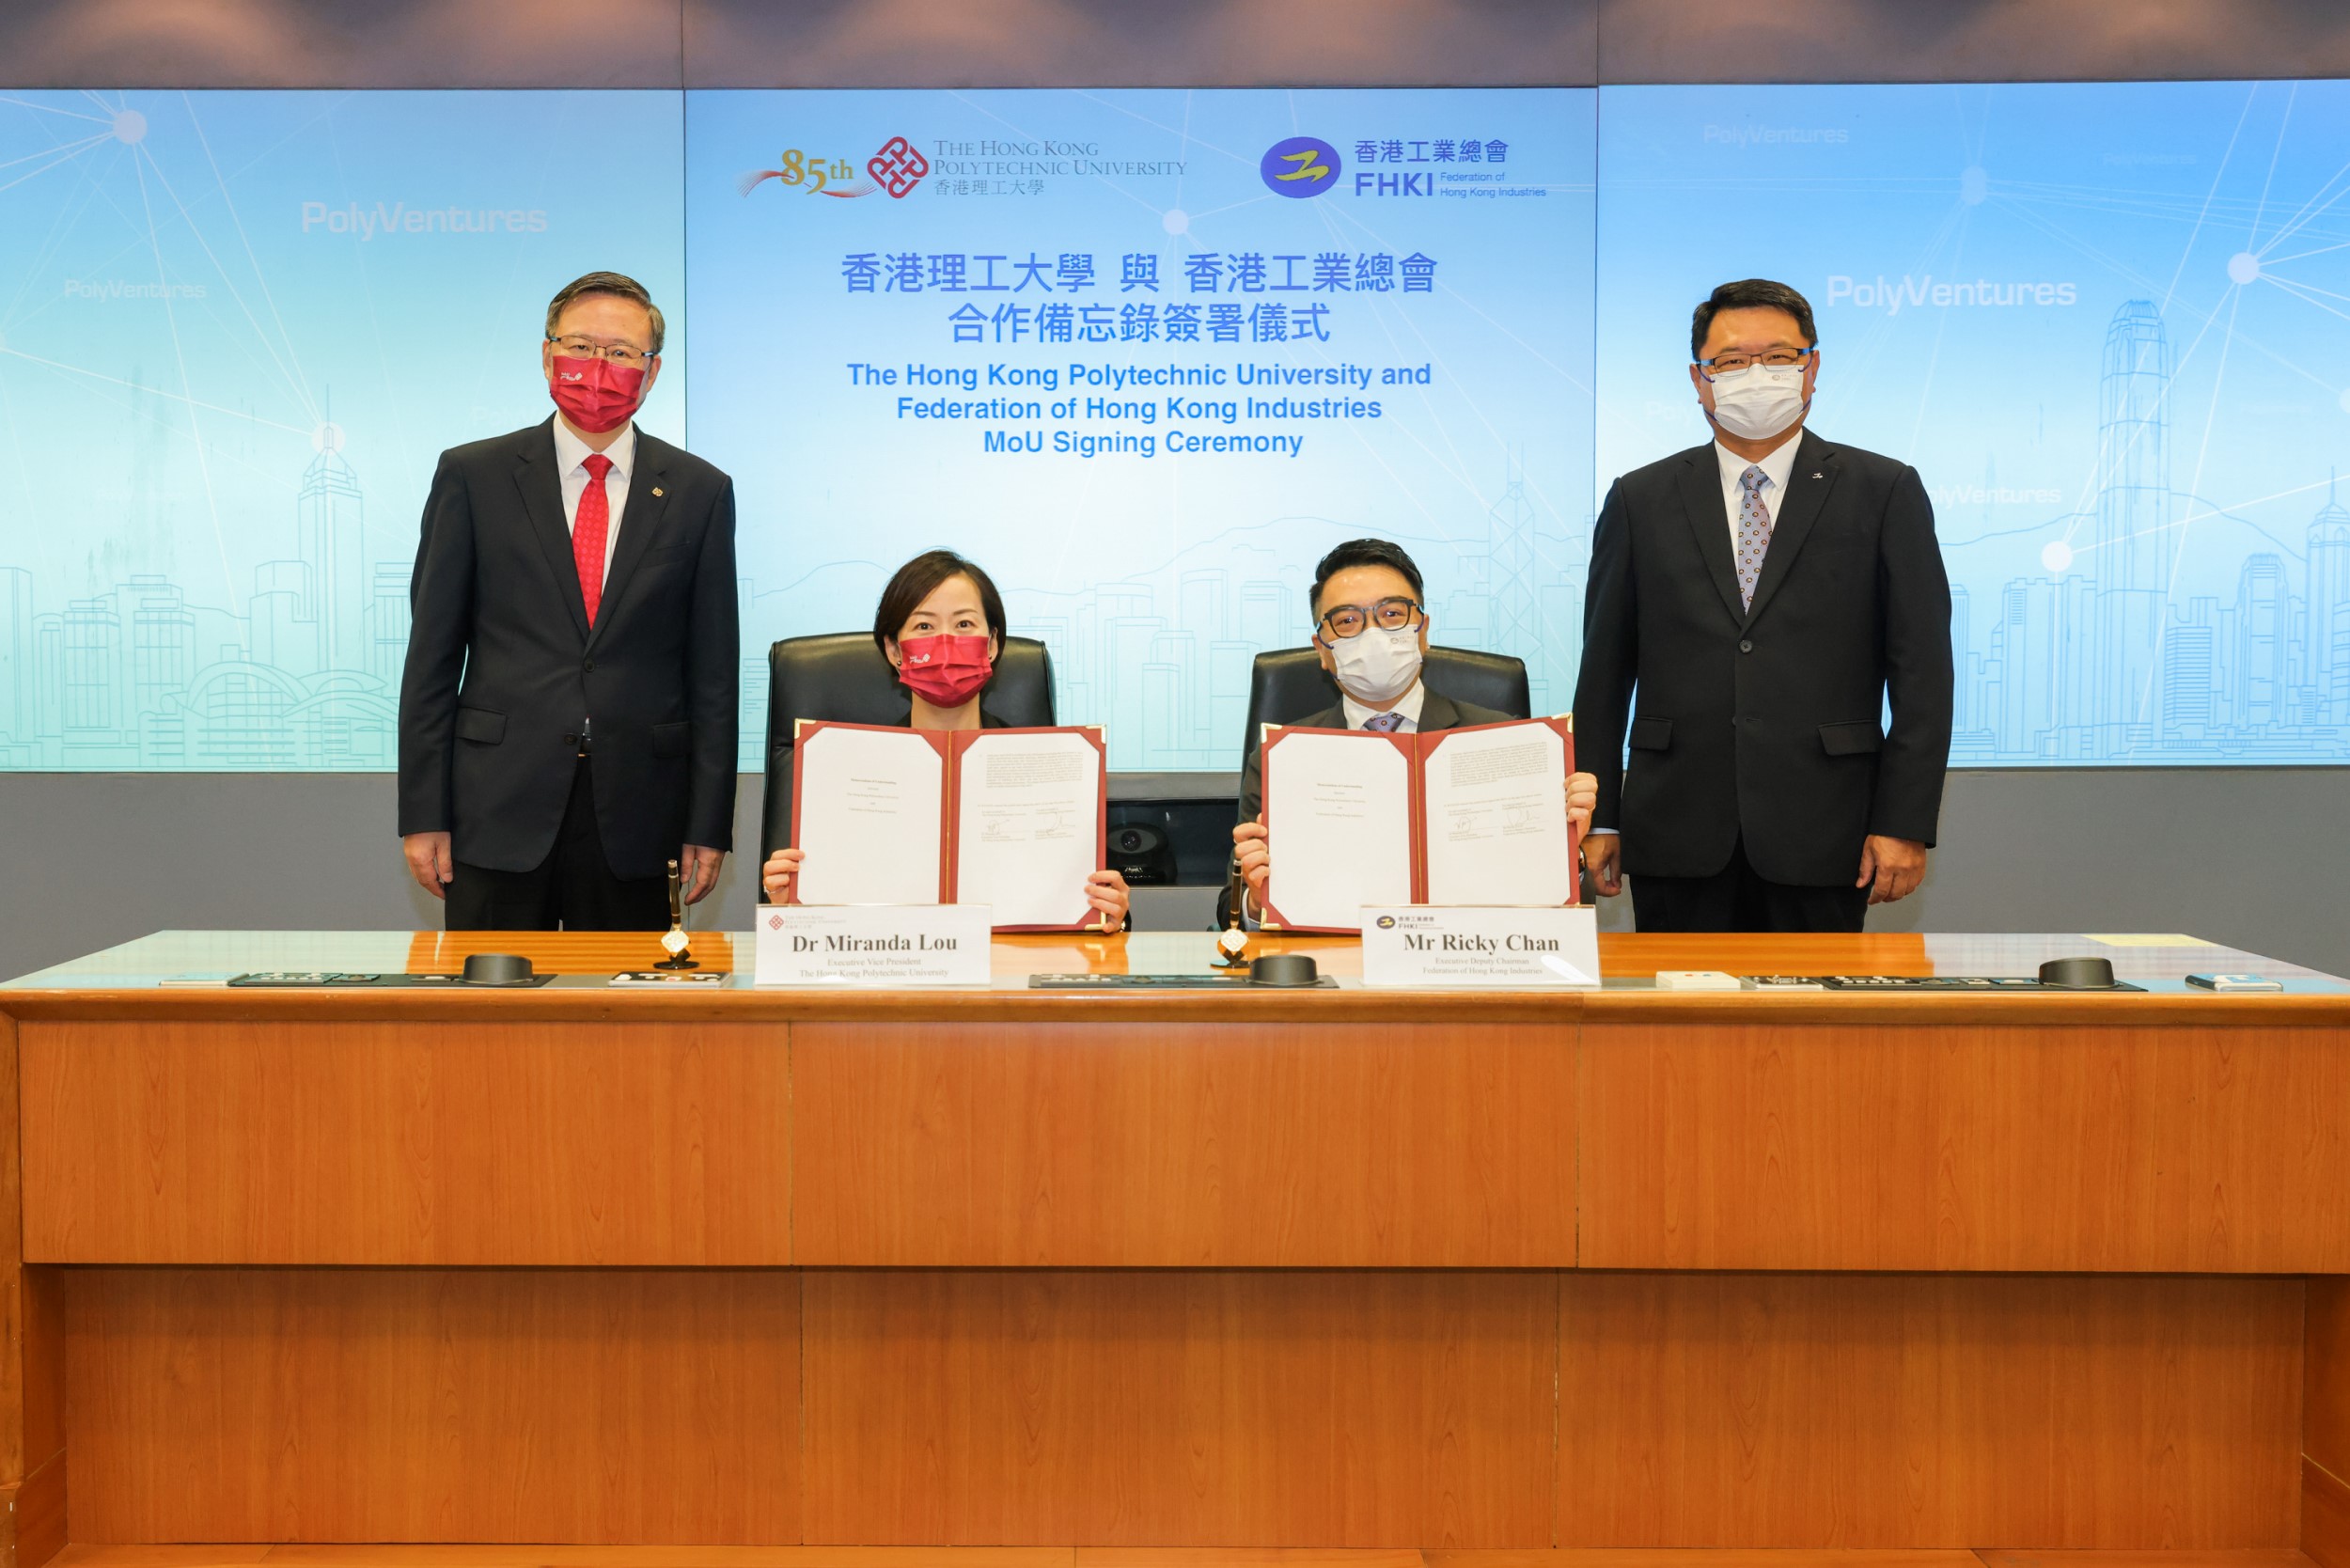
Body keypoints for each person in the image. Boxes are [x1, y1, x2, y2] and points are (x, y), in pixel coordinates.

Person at [1573, 277, 1953, 933]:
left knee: (1813, 1031)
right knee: (1679, 1033)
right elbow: (1604, 672)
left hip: (1828, 828)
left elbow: (1922, 674)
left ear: (1812, 370)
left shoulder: (1884, 490)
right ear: (1699, 381)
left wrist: (1902, 822)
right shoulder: (1639, 499)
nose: (1757, 375)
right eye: (1731, 361)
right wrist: (1602, 814)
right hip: (1676, 829)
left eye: (1779, 357)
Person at [398, 271, 739, 930]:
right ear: (548, 353)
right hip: (496, 806)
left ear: (653, 370)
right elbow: (432, 662)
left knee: (630, 1025)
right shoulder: (474, 475)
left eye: (620, 353)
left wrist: (708, 824)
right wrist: (423, 813)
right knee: (493, 1023)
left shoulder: (700, 490)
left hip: (641, 813)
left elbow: (714, 676)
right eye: (580, 345)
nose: (598, 367)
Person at [760, 549, 1131, 928]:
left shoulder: (1049, 765)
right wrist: (791, 905)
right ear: (893, 650)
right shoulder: (846, 765)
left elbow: (1093, 911)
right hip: (891, 969)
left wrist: (1111, 910)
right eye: (924, 627)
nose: (946, 643)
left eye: (965, 624)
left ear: (992, 644)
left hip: (1009, 971)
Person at [1230, 538, 1598, 918]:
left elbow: (1548, 909)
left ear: (1422, 630)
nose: (1373, 634)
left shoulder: (1505, 741)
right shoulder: (1284, 758)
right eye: (1347, 621)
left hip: (1466, 962)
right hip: (1333, 963)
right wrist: (1258, 898)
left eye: (1392, 614)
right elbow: (1233, 907)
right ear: (1322, 649)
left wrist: (1565, 847)